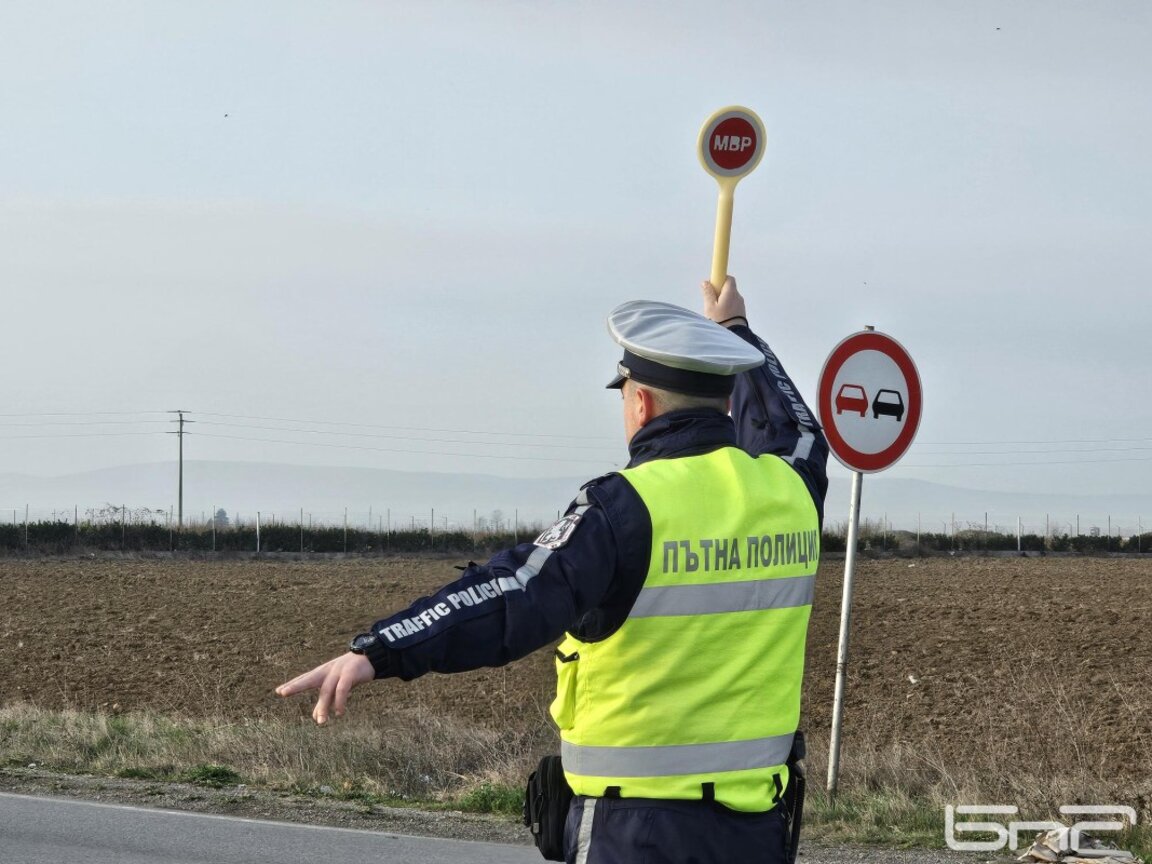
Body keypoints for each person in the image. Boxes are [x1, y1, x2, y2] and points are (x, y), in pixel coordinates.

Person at [277, 276, 828, 864]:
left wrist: (381, 648)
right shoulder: (791, 489)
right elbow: (794, 427)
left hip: (634, 834)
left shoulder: (623, 508)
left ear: (639, 402)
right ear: (725, 400)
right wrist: (736, 335)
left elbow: (514, 595)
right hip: (756, 833)